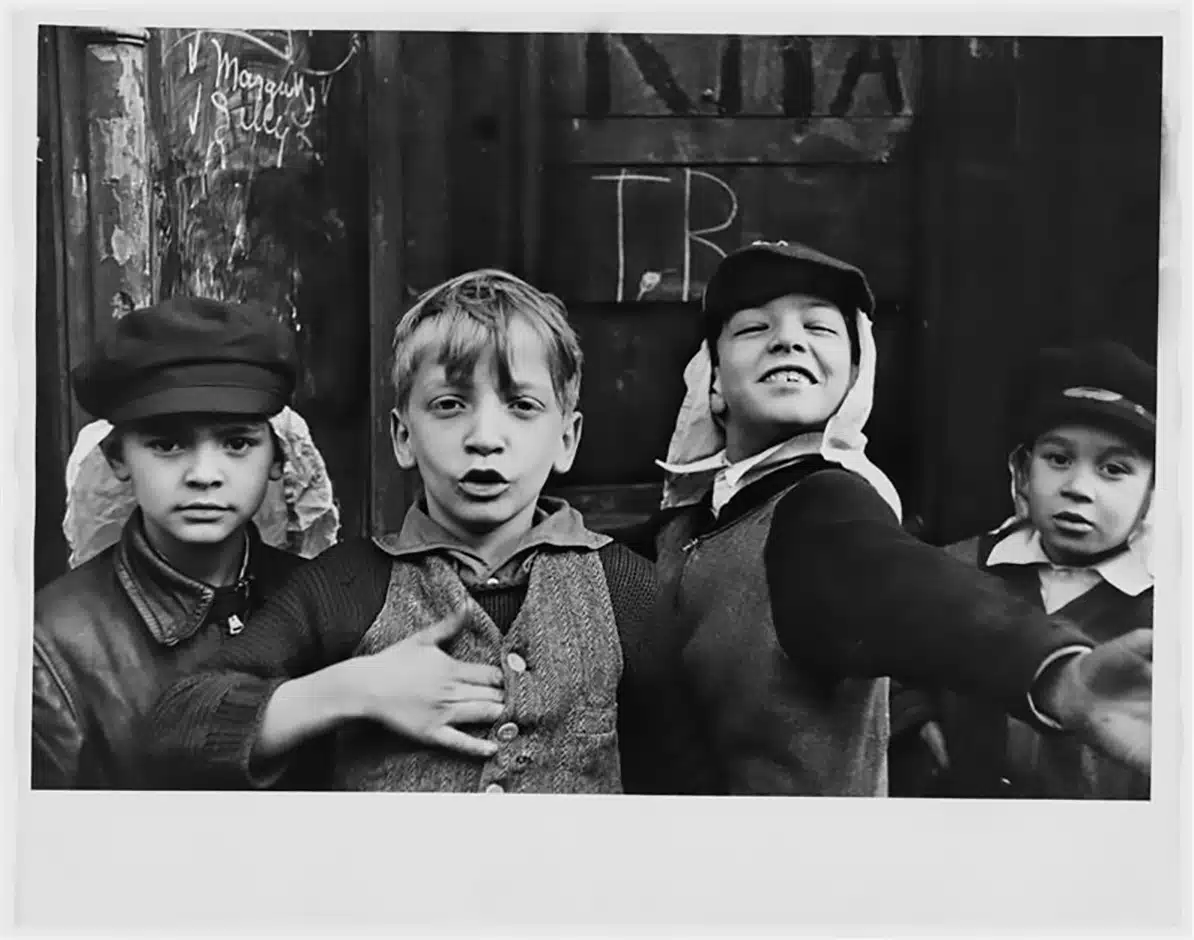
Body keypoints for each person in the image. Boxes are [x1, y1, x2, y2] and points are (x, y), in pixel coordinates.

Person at [148, 269, 704, 794]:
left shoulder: (628, 591)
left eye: (522, 406)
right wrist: (354, 689)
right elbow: (176, 731)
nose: (485, 436)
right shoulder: (346, 586)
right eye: (449, 405)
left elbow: (684, 789)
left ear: (567, 439)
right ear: (402, 436)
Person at [636, 240, 1152, 796]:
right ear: (711, 380)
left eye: (820, 328)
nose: (788, 339)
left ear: (856, 375)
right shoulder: (682, 528)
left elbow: (904, 586)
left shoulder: (824, 505)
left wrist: (1055, 672)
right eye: (754, 328)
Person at [32, 297, 339, 789]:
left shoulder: (327, 602)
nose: (204, 476)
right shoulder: (52, 643)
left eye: (236, 443)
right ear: (118, 458)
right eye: (167, 444)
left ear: (278, 459)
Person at [892, 340, 1155, 799]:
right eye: (1058, 459)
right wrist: (916, 723)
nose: (1077, 488)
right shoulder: (955, 567)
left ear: (1155, 491)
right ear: (1020, 471)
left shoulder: (1166, 606)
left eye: (1113, 469)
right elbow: (893, 659)